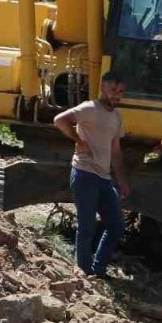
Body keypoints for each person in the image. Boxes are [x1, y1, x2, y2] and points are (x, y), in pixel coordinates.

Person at [53, 72, 132, 277]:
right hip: (84, 173)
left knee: (116, 225)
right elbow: (60, 120)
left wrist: (122, 181)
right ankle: (84, 273)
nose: (116, 95)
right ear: (104, 87)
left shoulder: (116, 117)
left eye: (121, 92)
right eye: (113, 90)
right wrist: (79, 141)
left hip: (104, 179)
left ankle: (98, 270)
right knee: (87, 226)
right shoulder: (89, 108)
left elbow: (116, 151)